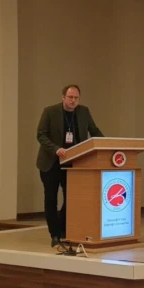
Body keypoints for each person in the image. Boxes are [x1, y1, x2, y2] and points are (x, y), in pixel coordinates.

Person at [36, 85, 104, 247]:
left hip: (73, 163)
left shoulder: (83, 112)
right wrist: (56, 149)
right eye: (70, 97)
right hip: (51, 162)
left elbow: (94, 131)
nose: (73, 100)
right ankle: (54, 234)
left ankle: (63, 229)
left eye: (76, 98)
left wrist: (106, 145)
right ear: (63, 97)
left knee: (72, 198)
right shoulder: (50, 111)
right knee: (51, 198)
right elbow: (41, 135)